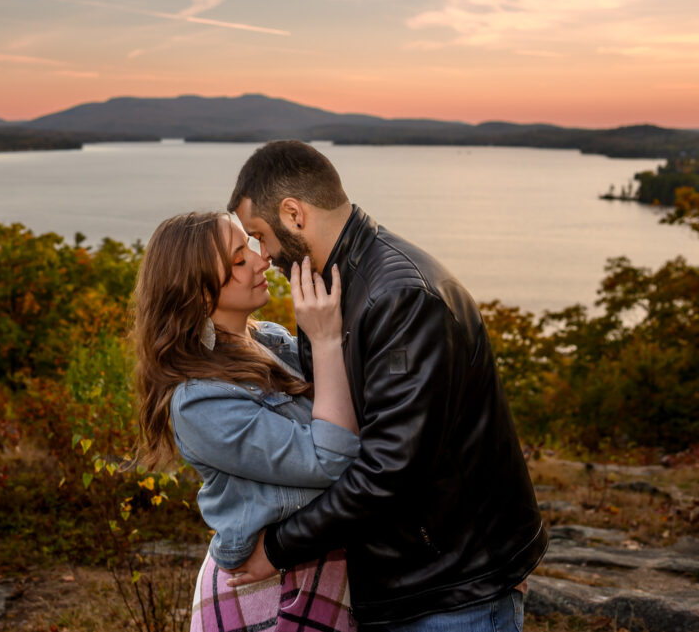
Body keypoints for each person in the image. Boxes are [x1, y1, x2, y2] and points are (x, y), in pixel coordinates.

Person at [225, 140, 548, 631]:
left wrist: (277, 548)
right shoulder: (330, 286)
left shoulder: (401, 299)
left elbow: (389, 470)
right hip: (412, 577)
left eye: (260, 236)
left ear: (293, 214)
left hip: (451, 590)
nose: (263, 256)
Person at [133, 211, 361, 632]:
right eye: (239, 260)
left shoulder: (270, 341)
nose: (261, 260)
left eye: (251, 246)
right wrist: (325, 339)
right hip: (267, 598)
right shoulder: (199, 401)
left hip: (317, 569)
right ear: (200, 295)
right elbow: (330, 460)